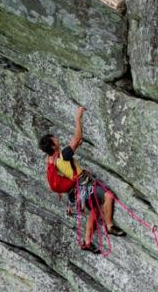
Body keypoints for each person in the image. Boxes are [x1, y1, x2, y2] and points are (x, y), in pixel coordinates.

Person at [39, 105, 126, 253]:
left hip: (78, 189)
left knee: (94, 211)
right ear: (53, 145)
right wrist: (78, 118)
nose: (56, 137)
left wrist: (76, 147)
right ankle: (110, 226)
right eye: (54, 138)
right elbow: (77, 138)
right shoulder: (63, 155)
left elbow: (68, 159)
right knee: (108, 196)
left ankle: (87, 242)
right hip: (84, 184)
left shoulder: (52, 159)